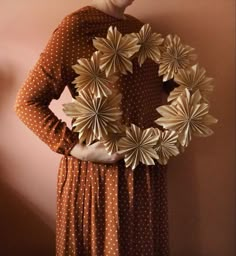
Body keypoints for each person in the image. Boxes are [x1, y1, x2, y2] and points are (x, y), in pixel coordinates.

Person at [14, 0, 170, 255]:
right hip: (101, 178)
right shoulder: (77, 27)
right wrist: (78, 149)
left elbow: (166, 87)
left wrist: (186, 105)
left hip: (144, 175)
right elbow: (27, 102)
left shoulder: (142, 31)